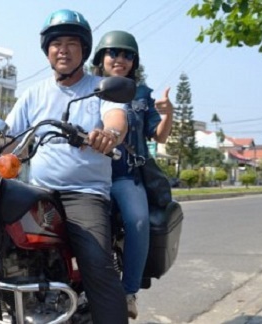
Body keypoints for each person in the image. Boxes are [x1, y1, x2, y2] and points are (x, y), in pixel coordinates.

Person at [5, 9, 129, 324]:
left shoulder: (101, 87)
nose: (63, 49)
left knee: (97, 263)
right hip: (37, 191)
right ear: (47, 51)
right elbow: (8, 137)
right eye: (56, 43)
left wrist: (108, 134)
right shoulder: (33, 95)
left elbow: (117, 119)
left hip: (83, 193)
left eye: (72, 43)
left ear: (84, 50)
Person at [92, 30, 174, 319]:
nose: (120, 59)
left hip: (125, 176)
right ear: (101, 57)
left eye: (128, 55)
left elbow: (160, 136)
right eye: (114, 52)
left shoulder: (142, 94)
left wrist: (168, 114)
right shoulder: (87, 88)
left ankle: (129, 292)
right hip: (90, 177)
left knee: (138, 221)